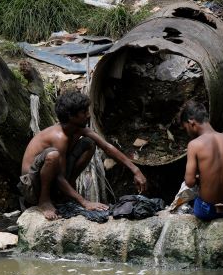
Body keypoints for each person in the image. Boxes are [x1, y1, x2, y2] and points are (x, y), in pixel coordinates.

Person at [19, 90, 147, 220]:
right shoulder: (59, 137)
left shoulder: (77, 129)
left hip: (55, 179)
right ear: (71, 116)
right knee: (53, 155)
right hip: (33, 187)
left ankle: (67, 191)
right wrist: (84, 202)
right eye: (84, 112)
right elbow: (58, 177)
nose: (88, 115)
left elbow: (107, 147)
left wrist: (136, 170)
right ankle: (44, 200)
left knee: (89, 143)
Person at [180, 101, 223, 221]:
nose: (187, 132)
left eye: (186, 128)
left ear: (192, 123)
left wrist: (199, 178)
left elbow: (189, 182)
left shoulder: (194, 145)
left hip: (209, 210)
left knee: (192, 203)